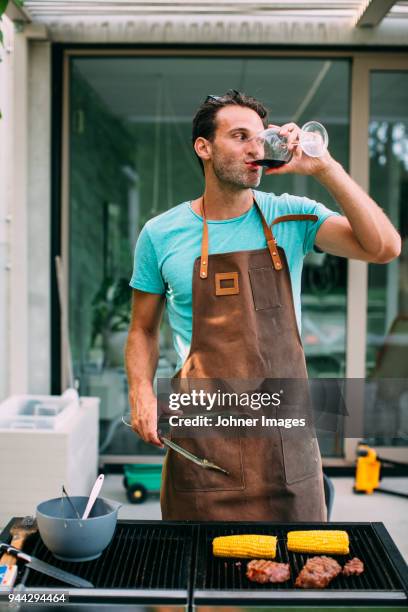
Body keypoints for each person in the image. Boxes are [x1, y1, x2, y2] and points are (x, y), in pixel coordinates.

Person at [125, 90, 400, 521]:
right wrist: (140, 391)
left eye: (260, 137)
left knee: (296, 576)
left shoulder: (291, 215)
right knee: (200, 574)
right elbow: (142, 329)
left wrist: (324, 167)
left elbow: (384, 247)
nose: (255, 147)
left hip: (284, 441)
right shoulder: (161, 234)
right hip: (204, 440)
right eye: (239, 136)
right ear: (204, 147)